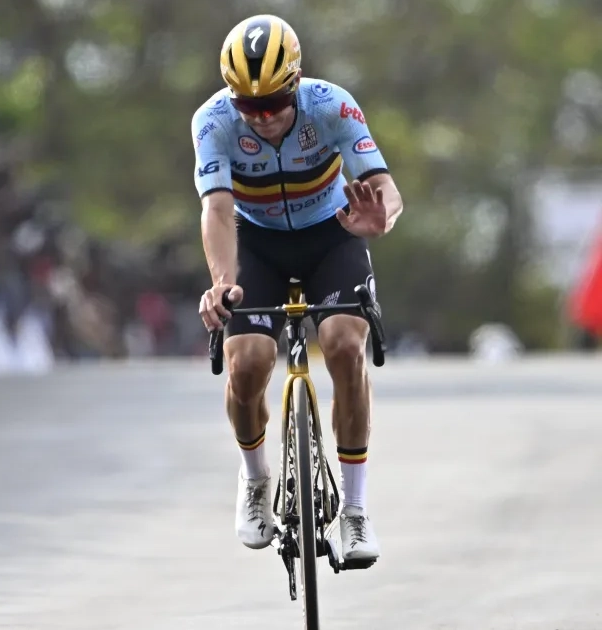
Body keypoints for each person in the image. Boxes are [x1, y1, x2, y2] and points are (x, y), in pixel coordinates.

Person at [193, 14, 404, 566]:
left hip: (331, 235)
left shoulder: (332, 105)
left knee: (344, 347)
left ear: (296, 82)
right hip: (256, 243)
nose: (262, 118)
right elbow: (217, 209)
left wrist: (381, 218)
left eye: (273, 103)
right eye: (249, 105)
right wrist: (222, 283)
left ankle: (354, 510)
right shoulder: (213, 121)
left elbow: (384, 187)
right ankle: (255, 479)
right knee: (246, 365)